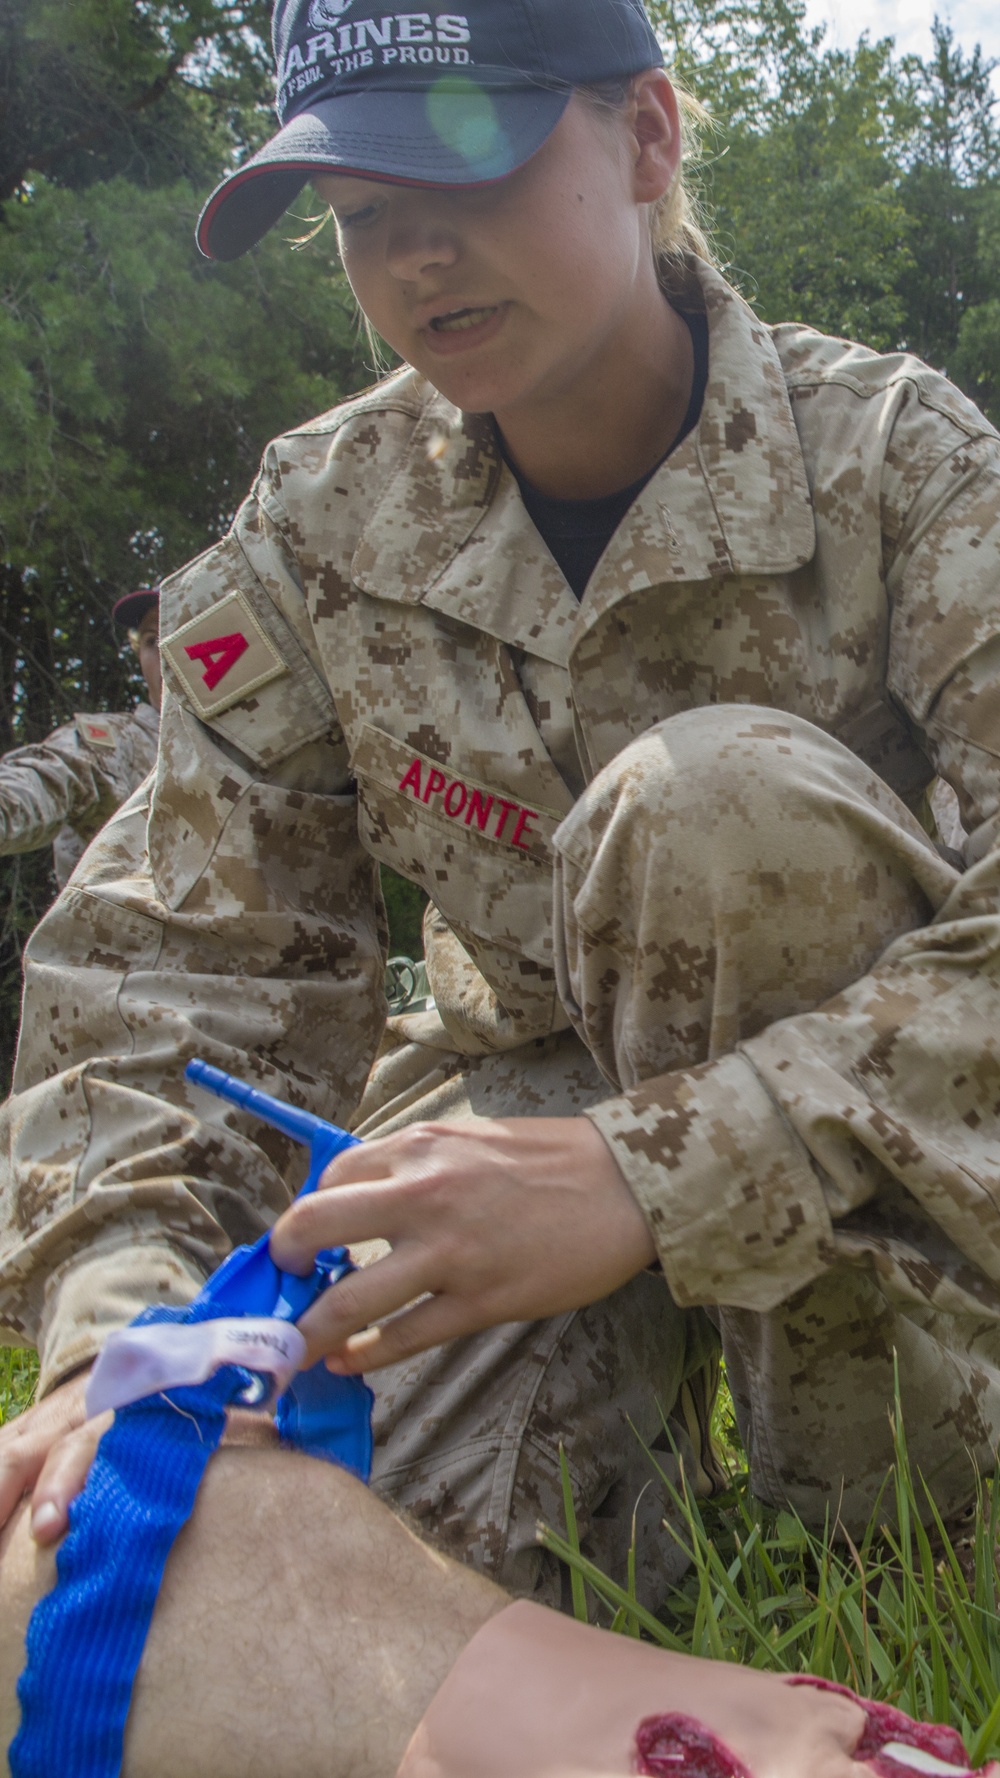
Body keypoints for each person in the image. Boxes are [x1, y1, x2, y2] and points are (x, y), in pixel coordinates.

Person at [2, 0, 1000, 1658]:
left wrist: (658, 1169)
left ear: (649, 137)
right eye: (360, 213)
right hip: (503, 1111)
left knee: (718, 804)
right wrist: (127, 1336)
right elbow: (173, 974)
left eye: (463, 163)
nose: (416, 256)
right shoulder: (318, 523)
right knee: (292, 1588)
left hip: (853, 1130)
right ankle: (632, 1481)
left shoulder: (899, 461)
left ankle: (890, 1517)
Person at [0, 589, 161, 887]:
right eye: (152, 640)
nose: (167, 651)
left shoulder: (254, 742)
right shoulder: (119, 740)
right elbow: (53, 772)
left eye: (181, 632)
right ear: (139, 655)